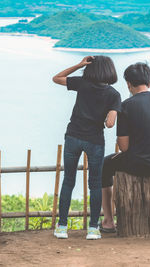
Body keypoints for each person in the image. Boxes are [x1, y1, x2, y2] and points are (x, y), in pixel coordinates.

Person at [100, 62, 150, 233]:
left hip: (137, 163)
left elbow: (124, 147)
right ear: (149, 82)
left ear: (128, 83)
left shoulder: (126, 106)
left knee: (105, 165)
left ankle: (108, 221)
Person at [52, 56, 121, 240]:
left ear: (91, 69)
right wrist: (108, 114)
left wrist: (79, 65)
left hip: (73, 136)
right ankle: (92, 229)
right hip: (94, 141)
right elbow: (110, 124)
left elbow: (57, 78)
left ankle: (61, 227)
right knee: (95, 183)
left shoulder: (82, 83)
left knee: (68, 180)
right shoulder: (114, 94)